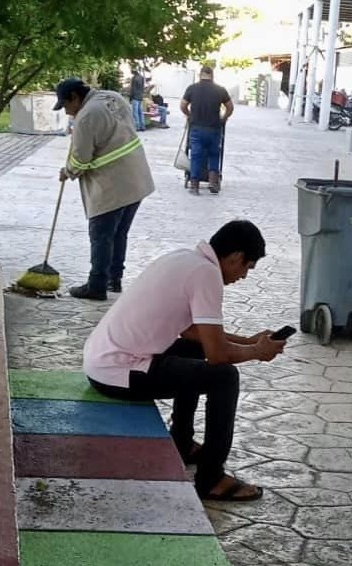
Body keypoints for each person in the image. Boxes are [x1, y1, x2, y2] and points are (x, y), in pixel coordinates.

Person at [83, 220, 286, 501]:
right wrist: (257, 352)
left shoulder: (185, 259)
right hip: (119, 371)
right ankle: (211, 478)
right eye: (246, 268)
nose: (243, 276)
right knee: (225, 377)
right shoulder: (207, 275)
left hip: (102, 362)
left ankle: (181, 441)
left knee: (192, 348)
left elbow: (193, 332)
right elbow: (217, 354)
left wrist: (250, 341)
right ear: (236, 257)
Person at [54, 78, 155, 299]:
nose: (68, 112)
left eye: (66, 106)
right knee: (119, 234)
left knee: (101, 235)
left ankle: (97, 285)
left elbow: (81, 159)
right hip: (136, 178)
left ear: (75, 97)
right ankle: (113, 280)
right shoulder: (113, 97)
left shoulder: (86, 116)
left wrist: (68, 171)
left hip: (111, 185)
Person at [180, 66, 234, 195]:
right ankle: (213, 182)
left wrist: (189, 115)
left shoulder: (192, 88)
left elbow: (183, 105)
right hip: (214, 128)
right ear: (212, 75)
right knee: (214, 154)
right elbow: (230, 107)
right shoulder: (220, 90)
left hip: (196, 128)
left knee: (196, 156)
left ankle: (194, 186)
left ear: (200, 75)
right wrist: (224, 118)